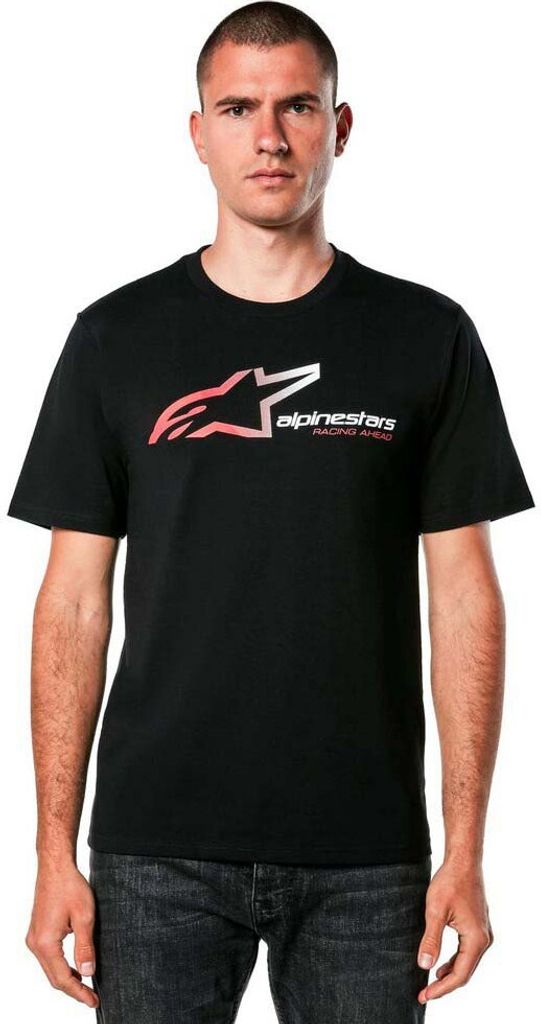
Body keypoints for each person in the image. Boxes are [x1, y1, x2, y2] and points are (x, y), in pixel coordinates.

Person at [7, 2, 536, 1022]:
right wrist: (51, 852)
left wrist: (467, 850)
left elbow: (464, 598)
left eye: (297, 106)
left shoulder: (426, 335)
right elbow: (71, 602)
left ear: (339, 127)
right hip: (156, 853)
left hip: (368, 857)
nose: (269, 137)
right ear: (196, 133)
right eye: (237, 108)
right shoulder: (115, 338)